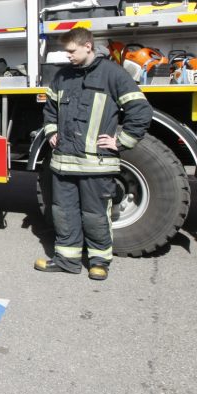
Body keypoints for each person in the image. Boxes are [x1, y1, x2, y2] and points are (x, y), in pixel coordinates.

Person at [37, 27, 152, 280]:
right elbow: (50, 109)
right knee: (63, 213)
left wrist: (121, 141)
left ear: (88, 46)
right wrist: (51, 131)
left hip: (96, 165)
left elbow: (140, 111)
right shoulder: (62, 77)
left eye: (71, 51)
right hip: (63, 164)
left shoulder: (113, 74)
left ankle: (99, 262)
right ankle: (67, 260)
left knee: (95, 215)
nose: (68, 56)